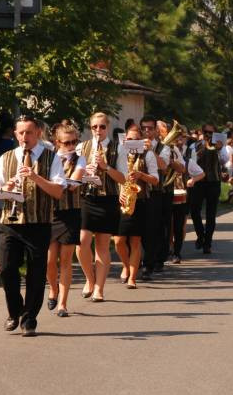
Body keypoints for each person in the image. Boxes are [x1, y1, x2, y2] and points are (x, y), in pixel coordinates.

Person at [0, 115, 66, 336]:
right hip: (11, 222)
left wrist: (35, 176)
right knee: (6, 269)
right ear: (15, 134)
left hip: (38, 223)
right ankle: (15, 311)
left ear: (38, 133)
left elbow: (58, 191)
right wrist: (7, 185)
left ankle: (29, 318)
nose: (25, 137)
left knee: (36, 272)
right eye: (21, 133)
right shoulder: (6, 158)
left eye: (29, 132)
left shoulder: (52, 158)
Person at [75, 112, 126, 302]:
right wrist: (84, 171)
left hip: (108, 199)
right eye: (94, 127)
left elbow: (123, 178)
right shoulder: (82, 147)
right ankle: (89, 279)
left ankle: (99, 288)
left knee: (103, 245)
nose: (98, 130)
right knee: (81, 242)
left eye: (102, 127)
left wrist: (105, 167)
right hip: (87, 198)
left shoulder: (118, 148)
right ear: (90, 128)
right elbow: (72, 174)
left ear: (108, 127)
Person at [114, 119, 160, 288]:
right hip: (121, 200)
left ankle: (132, 277)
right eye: (129, 140)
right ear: (125, 140)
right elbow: (113, 176)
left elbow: (155, 180)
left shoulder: (147, 155)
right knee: (118, 241)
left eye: (136, 140)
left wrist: (141, 175)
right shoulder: (119, 154)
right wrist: (119, 192)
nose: (132, 143)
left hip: (140, 201)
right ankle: (126, 266)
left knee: (135, 241)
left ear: (140, 141)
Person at [46, 121, 83, 316]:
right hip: (51, 212)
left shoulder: (79, 159)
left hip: (70, 212)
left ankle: (63, 303)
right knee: (49, 260)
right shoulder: (49, 159)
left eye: (74, 142)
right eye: (67, 143)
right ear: (58, 142)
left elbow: (74, 183)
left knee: (65, 260)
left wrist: (60, 182)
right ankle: (53, 288)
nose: (71, 146)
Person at [159, 120, 203, 265]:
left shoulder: (176, 150)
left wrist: (171, 161)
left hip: (178, 191)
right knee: (165, 225)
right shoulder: (155, 147)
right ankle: (165, 250)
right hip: (162, 191)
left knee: (178, 225)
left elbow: (183, 168)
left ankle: (176, 252)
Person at [137, 116, 169, 280]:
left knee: (152, 229)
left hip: (155, 193)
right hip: (137, 192)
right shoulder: (135, 145)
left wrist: (151, 151)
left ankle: (148, 264)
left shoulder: (164, 148)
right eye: (144, 128)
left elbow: (163, 166)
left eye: (150, 128)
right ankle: (135, 262)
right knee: (137, 228)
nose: (147, 131)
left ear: (156, 130)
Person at [189, 124, 228, 254]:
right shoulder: (194, 146)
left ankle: (208, 243)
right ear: (202, 132)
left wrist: (219, 149)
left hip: (213, 182)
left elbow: (224, 160)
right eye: (206, 132)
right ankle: (200, 235)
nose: (208, 135)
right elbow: (191, 161)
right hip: (199, 182)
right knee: (194, 210)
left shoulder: (220, 147)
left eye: (211, 132)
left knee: (211, 214)